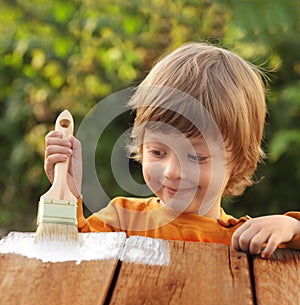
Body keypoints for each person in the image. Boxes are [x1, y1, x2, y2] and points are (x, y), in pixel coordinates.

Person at [44, 42, 300, 259]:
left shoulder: (244, 239)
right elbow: (65, 258)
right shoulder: (122, 221)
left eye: (196, 157)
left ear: (240, 162)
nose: (173, 172)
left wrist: (291, 226)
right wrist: (67, 192)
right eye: (158, 152)